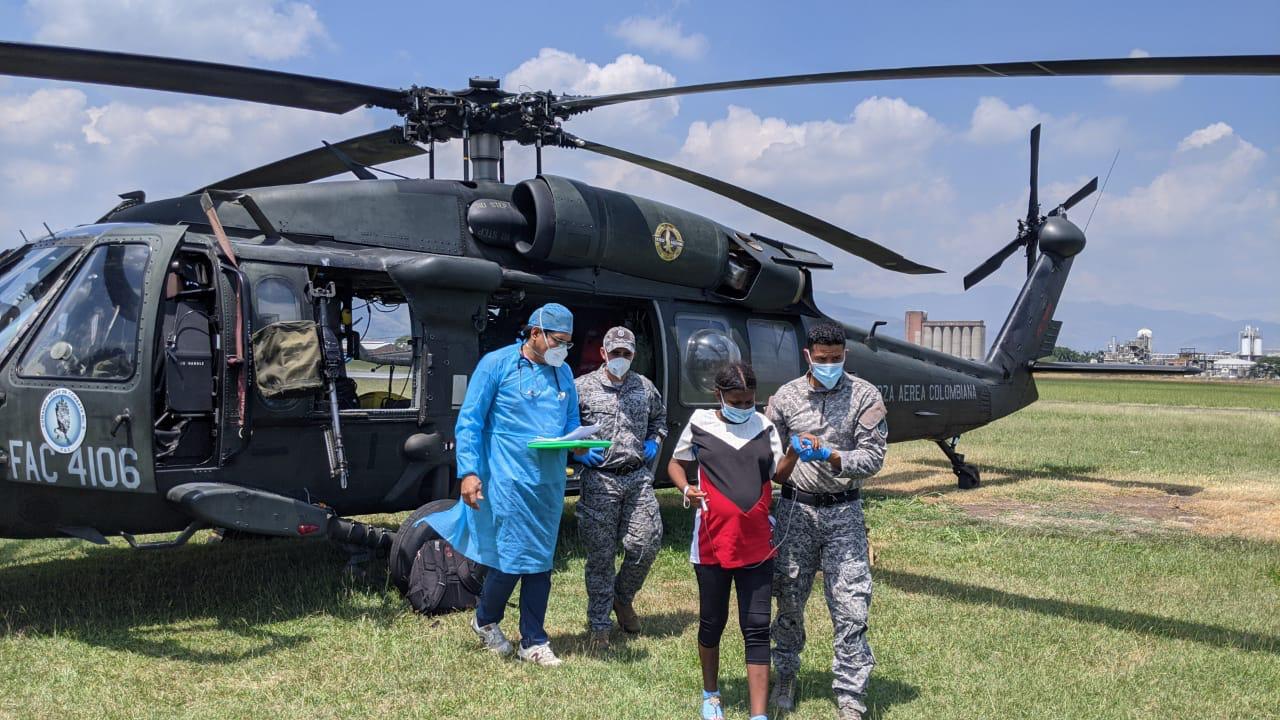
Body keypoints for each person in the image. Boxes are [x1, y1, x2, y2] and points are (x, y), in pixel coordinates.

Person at [426, 302, 596, 667]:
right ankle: (488, 619)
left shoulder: (563, 373)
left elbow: (569, 424)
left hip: (548, 482)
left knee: (541, 560)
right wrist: (468, 472)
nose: (563, 349)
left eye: (568, 342)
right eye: (558, 341)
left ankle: (531, 641)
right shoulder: (497, 365)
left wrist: (578, 443)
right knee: (512, 558)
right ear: (535, 333)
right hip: (507, 478)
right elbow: (470, 421)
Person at [668, 362, 815, 720]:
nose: (744, 406)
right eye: (736, 400)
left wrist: (794, 453)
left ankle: (759, 714)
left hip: (756, 545)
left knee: (756, 627)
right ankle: (711, 694)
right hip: (711, 543)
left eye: (749, 400)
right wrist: (687, 488)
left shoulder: (764, 427)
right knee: (712, 622)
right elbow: (675, 463)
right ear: (719, 396)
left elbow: (777, 474)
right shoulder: (701, 423)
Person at [765, 321, 888, 720]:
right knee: (788, 600)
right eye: (822, 360)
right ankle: (784, 676)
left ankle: (851, 695)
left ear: (845, 355)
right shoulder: (785, 397)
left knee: (852, 606)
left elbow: (873, 459)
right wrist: (791, 454)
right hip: (795, 511)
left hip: (843, 512)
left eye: (836, 359)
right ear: (808, 357)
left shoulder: (865, 395)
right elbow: (767, 458)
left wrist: (834, 456)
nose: (830, 365)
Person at [574, 325, 667, 649]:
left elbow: (660, 421)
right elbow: (563, 430)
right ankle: (599, 624)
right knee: (600, 556)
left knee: (646, 544)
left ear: (633, 356)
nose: (620, 358)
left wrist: (654, 440)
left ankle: (622, 598)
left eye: (626, 354)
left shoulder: (645, 387)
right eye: (615, 353)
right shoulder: (581, 388)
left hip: (637, 477)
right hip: (600, 478)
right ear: (603, 354)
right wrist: (578, 452)